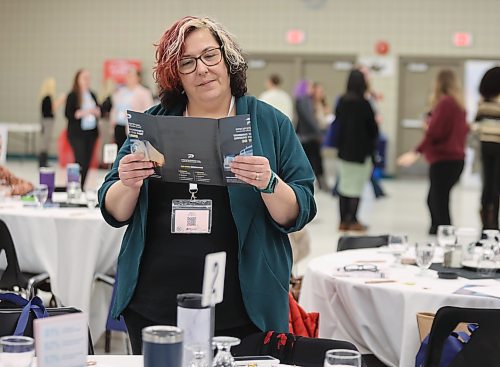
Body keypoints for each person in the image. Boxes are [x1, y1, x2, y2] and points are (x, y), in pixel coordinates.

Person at [98, 16, 316, 354]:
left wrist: (270, 183)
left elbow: (300, 209)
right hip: (155, 300)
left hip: (245, 306)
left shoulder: (269, 123)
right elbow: (112, 209)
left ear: (228, 60)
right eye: (187, 62)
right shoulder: (156, 123)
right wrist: (128, 183)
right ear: (176, 75)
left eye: (209, 56)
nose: (202, 69)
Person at [398, 69, 468, 235]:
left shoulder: (445, 104)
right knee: (436, 200)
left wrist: (416, 151)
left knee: (438, 201)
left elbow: (434, 132)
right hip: (455, 160)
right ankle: (438, 233)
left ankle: (444, 236)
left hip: (445, 160)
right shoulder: (458, 106)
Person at [335, 70, 378, 231]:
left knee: (344, 186)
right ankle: (353, 219)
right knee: (356, 188)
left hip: (344, 151)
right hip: (361, 152)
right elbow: (373, 129)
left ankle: (342, 221)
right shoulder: (364, 104)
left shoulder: (342, 101)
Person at [65, 69, 101, 189]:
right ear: (78, 80)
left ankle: (81, 187)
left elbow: (98, 110)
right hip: (77, 133)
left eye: (88, 78)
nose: (87, 81)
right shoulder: (73, 95)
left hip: (91, 133)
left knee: (87, 162)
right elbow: (68, 114)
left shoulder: (92, 94)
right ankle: (73, 186)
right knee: (79, 160)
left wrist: (97, 112)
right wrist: (84, 112)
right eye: (84, 78)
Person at [474, 66, 500, 230]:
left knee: (487, 185)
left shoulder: (483, 103)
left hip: (485, 146)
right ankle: (494, 224)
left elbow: (476, 125)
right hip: (499, 146)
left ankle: (486, 225)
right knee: (496, 186)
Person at [294, 80, 327, 190]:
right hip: (308, 137)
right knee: (314, 161)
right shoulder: (304, 101)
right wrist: (319, 133)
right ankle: (320, 184)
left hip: (306, 136)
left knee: (312, 161)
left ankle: (320, 183)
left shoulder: (304, 101)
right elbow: (310, 119)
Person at [110, 68, 154, 149]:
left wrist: (132, 113)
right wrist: (113, 121)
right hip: (119, 126)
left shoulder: (144, 92)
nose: (129, 78)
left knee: (131, 151)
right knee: (119, 151)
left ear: (138, 78)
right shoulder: (120, 92)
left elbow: (150, 110)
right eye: (128, 76)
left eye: (132, 76)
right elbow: (114, 108)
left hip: (133, 126)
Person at [38, 77, 65, 167]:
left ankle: (43, 161)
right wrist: (60, 100)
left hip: (46, 121)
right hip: (47, 122)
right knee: (45, 142)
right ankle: (42, 162)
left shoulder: (45, 97)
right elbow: (52, 109)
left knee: (46, 141)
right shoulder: (47, 98)